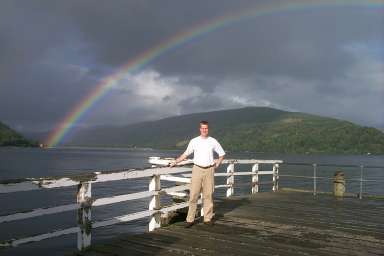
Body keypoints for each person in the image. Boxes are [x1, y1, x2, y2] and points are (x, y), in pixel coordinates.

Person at [170, 120, 225, 228]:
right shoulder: (194, 141)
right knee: (193, 195)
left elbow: (222, 154)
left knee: (208, 195)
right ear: (200, 129)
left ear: (208, 129)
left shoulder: (213, 141)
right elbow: (186, 154)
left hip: (209, 169)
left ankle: (207, 219)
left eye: (206, 128)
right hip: (197, 169)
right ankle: (190, 220)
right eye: (203, 128)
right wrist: (175, 162)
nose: (204, 130)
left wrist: (218, 162)